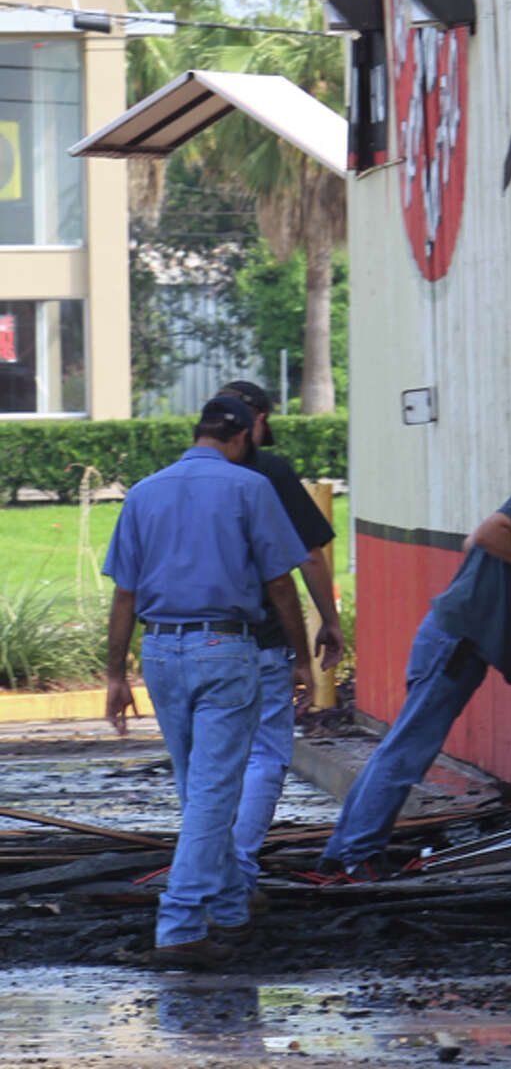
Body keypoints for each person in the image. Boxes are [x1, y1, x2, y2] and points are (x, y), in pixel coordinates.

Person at [317, 423, 511, 880]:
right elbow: (487, 535)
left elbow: (476, 542)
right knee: (407, 752)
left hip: (452, 638)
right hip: (456, 642)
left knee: (403, 748)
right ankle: (355, 857)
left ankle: (344, 851)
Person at [104, 394, 315, 969]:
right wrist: (302, 658)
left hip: (161, 652)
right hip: (225, 647)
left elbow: (124, 594)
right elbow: (279, 584)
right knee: (213, 794)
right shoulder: (250, 489)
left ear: (197, 433)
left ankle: (228, 906)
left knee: (199, 788)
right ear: (244, 436)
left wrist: (115, 675)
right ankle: (179, 922)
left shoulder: (145, 492)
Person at [213, 379, 345, 899]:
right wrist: (328, 624)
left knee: (215, 760)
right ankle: (239, 869)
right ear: (258, 422)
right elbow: (306, 559)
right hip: (262, 637)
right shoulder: (269, 473)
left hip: (191, 641)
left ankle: (209, 866)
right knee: (267, 753)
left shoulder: (177, 479)